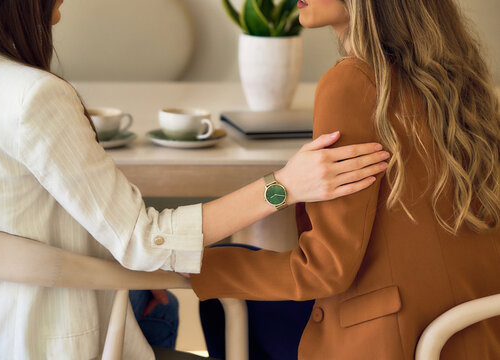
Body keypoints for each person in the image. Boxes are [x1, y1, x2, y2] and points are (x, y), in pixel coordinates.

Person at [0, 0, 388, 359]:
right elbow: (144, 242)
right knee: (205, 302)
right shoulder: (33, 96)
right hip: (48, 341)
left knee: (157, 304)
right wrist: (283, 186)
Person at [189, 0, 500, 359]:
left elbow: (324, 271)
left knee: (219, 294)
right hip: (471, 334)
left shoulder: (352, 83)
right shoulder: (463, 84)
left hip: (396, 341)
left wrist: (196, 264)